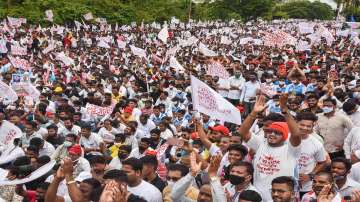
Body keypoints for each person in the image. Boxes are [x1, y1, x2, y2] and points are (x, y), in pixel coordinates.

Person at [238, 94, 302, 201]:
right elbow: (242, 132)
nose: (272, 134)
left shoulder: (291, 149)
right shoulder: (260, 143)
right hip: (257, 197)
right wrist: (254, 113)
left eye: (277, 133)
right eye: (269, 131)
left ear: (285, 135)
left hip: (281, 198)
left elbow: (296, 135)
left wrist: (285, 110)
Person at [295, 112, 327, 197]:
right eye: (302, 125)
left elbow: (322, 162)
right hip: (284, 183)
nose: (305, 128)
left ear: (313, 127)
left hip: (305, 187)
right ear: (296, 123)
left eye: (309, 126)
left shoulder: (317, 143)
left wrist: (310, 176)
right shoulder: (285, 138)